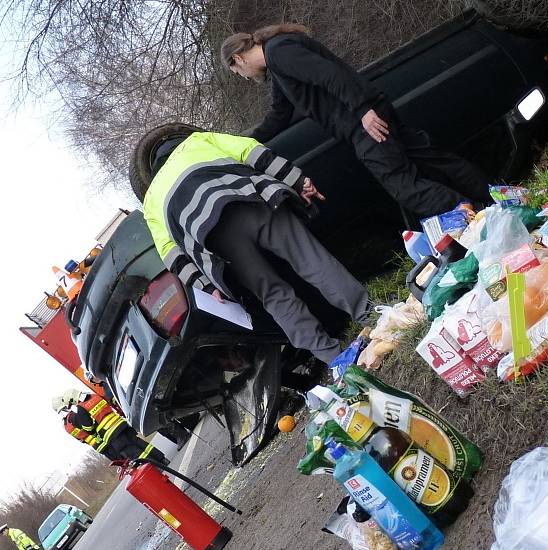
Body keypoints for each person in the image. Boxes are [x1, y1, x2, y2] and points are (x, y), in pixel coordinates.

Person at [130, 124, 370, 365]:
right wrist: (296, 180)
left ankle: (335, 358)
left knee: (274, 296)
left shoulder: (151, 201)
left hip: (219, 239)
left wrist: (205, 285)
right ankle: (368, 314)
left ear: (153, 168)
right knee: (312, 261)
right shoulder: (198, 141)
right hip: (251, 201)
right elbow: (251, 151)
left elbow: (170, 254)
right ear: (177, 140)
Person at [220, 25, 494, 217]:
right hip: (370, 112)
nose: (243, 76)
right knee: (430, 159)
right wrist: (243, 142)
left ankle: (469, 214)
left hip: (364, 122)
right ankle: (495, 198)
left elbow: (328, 75)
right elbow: (279, 114)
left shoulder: (280, 52)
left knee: (403, 187)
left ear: (238, 59)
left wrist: (363, 110)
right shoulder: (277, 63)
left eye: (236, 71)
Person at [52, 389, 168, 464]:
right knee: (139, 443)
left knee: (132, 452)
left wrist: (93, 432)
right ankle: (161, 458)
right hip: (121, 425)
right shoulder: (94, 396)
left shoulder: (79, 410)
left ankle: (156, 466)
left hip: (111, 435)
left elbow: (88, 427)